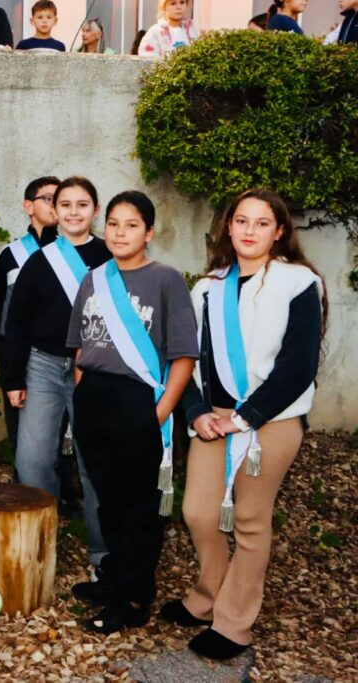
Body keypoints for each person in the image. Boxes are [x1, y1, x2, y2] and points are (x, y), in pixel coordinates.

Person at [161, 189, 326, 661]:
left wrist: (246, 417)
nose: (249, 231)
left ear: (279, 231)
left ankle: (233, 623)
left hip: (270, 419)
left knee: (251, 522)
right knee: (198, 512)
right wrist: (195, 411)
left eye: (261, 223)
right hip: (214, 418)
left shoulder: (297, 283)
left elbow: (298, 365)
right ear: (227, 228)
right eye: (241, 221)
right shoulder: (207, 287)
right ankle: (209, 592)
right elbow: (187, 358)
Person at [66, 191, 198, 633]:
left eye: (131, 225)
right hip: (94, 400)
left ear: (149, 232)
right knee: (106, 500)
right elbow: (81, 345)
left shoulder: (165, 280)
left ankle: (135, 597)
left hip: (138, 402)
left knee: (137, 507)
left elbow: (183, 356)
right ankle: (115, 579)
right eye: (114, 223)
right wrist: (82, 396)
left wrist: (158, 414)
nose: (120, 233)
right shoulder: (94, 278)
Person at [0, 176, 111, 572]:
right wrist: (13, 379)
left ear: (95, 211)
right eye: (66, 205)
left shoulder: (110, 257)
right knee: (31, 460)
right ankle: (38, 544)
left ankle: (102, 553)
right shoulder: (38, 261)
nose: (74, 212)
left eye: (83, 205)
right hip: (42, 366)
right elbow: (16, 324)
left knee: (93, 463)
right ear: (54, 211)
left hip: (94, 369)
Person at [0, 176, 59, 447]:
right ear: (29, 207)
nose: (57, 205)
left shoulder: (78, 253)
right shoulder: (11, 255)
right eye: (49, 198)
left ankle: (65, 489)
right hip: (23, 359)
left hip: (66, 359)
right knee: (26, 440)